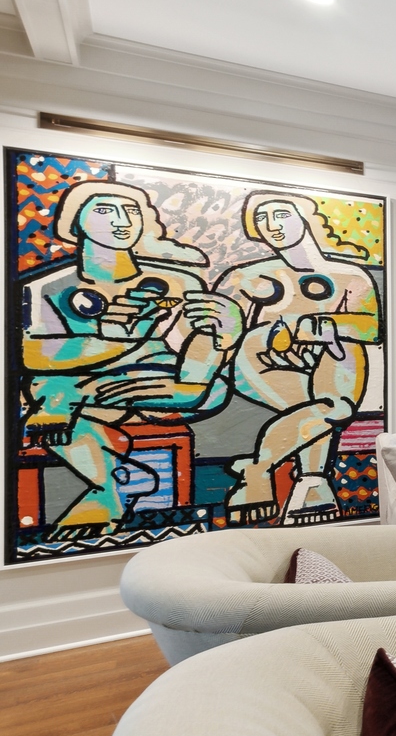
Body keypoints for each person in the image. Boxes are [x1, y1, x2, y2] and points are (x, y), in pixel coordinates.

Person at [21, 181, 243, 532]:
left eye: (132, 211)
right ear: (75, 223)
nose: (122, 220)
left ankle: (112, 479)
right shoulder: (49, 286)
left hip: (163, 379)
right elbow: (32, 353)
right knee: (44, 391)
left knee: (53, 398)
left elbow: (203, 338)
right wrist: (115, 341)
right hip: (81, 382)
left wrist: (200, 372)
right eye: (105, 211)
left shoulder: (179, 281)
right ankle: (114, 481)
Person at [212, 192, 380, 519]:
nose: (272, 225)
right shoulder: (245, 277)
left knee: (334, 403)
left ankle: (258, 469)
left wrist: (314, 327)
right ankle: (313, 482)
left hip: (332, 357)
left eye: (281, 214)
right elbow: (227, 331)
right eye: (262, 219)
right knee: (314, 398)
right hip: (263, 357)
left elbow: (371, 329)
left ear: (304, 217)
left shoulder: (353, 277)